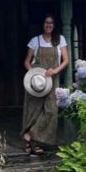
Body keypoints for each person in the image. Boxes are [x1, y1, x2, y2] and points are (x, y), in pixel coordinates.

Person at [21, 14, 69, 154]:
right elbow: (26, 62)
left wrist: (55, 71)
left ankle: (29, 136)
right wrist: (34, 74)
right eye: (46, 22)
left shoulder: (60, 40)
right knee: (33, 110)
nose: (49, 25)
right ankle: (34, 144)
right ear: (43, 24)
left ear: (54, 25)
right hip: (37, 82)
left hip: (53, 80)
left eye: (51, 23)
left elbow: (66, 60)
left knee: (51, 110)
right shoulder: (35, 41)